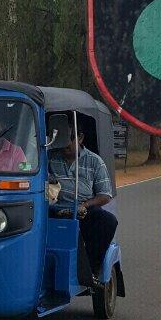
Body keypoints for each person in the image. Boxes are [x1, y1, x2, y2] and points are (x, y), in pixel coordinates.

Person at [47, 118, 117, 280]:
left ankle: (91, 270)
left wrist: (85, 205)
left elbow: (105, 195)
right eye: (62, 139)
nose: (65, 144)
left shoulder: (94, 161)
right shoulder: (50, 158)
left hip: (83, 210)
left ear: (80, 138)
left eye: (70, 138)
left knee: (108, 221)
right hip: (53, 208)